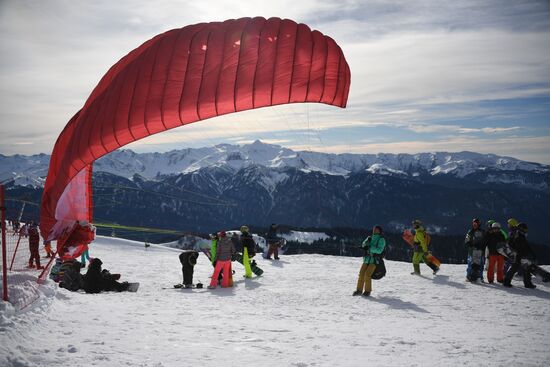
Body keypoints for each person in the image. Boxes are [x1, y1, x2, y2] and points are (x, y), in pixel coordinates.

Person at [353, 225, 386, 297]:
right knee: (361, 274)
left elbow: (380, 250)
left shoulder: (381, 239)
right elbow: (363, 244)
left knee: (367, 274)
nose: (374, 230)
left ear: (380, 231)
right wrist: (365, 244)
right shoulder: (370, 238)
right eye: (374, 229)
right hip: (366, 259)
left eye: (376, 229)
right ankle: (359, 290)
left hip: (374, 260)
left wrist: (370, 248)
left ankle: (367, 291)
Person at [503, 223, 536, 289]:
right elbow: (519, 248)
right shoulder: (518, 237)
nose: (526, 230)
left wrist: (532, 253)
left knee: (521, 269)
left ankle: (527, 283)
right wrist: (518, 258)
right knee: (519, 268)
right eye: (525, 229)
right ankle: (527, 284)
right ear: (521, 229)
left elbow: (526, 246)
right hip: (518, 256)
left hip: (520, 255)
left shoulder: (521, 236)